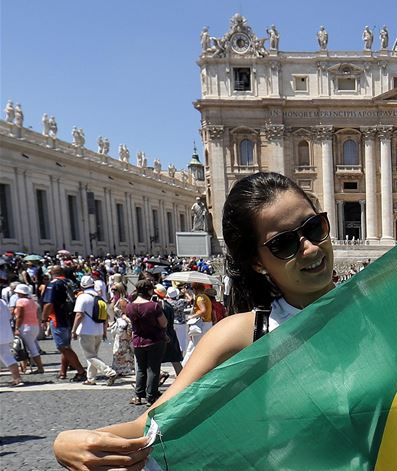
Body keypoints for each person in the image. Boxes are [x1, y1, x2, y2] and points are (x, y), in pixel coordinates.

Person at [54, 172, 335, 468]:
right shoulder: (243, 334)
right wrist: (69, 442)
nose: (311, 247)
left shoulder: (376, 305)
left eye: (314, 227)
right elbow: (153, 424)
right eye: (284, 244)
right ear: (256, 262)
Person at [124, 280, 168, 406]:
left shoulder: (129, 306)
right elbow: (163, 323)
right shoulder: (153, 306)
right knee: (153, 369)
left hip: (138, 340)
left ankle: (138, 396)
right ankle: (151, 396)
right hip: (154, 339)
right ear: (149, 290)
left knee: (141, 369)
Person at [42, 265, 87, 381]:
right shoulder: (70, 282)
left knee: (63, 347)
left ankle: (81, 371)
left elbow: (48, 304)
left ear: (52, 273)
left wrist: (43, 319)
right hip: (71, 317)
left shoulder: (53, 284)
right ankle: (63, 372)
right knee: (66, 345)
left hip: (58, 318)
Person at [72, 275, 118, 386]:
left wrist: (73, 330)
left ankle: (110, 372)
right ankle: (90, 378)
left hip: (86, 330)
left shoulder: (82, 297)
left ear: (82, 286)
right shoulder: (99, 297)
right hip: (98, 329)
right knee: (93, 355)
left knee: (90, 356)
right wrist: (104, 331)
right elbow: (105, 316)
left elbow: (79, 315)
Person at [11, 284, 44, 374]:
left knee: (27, 348)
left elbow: (20, 316)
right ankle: (25, 367)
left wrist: (17, 328)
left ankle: (39, 367)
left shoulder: (20, 301)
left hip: (25, 327)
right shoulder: (32, 301)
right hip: (34, 326)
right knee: (28, 347)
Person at [156, 284, 183, 383]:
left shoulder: (160, 306)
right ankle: (182, 378)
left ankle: (159, 375)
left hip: (164, 334)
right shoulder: (168, 304)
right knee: (175, 359)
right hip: (171, 333)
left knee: (155, 358)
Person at [182, 282, 212, 364]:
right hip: (207, 323)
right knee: (194, 346)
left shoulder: (199, 298)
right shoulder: (205, 297)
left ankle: (185, 366)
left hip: (202, 324)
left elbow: (203, 310)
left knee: (193, 346)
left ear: (195, 289)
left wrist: (192, 316)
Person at [109, 282, 134, 376]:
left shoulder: (122, 301)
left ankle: (122, 369)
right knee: (121, 349)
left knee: (120, 349)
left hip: (123, 327)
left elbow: (126, 315)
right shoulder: (118, 300)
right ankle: (122, 368)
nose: (112, 291)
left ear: (120, 290)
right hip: (120, 326)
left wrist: (129, 325)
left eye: (114, 290)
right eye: (112, 289)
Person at [1, 299, 24, 386]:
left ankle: (17, 378)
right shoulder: (2, 302)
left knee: (6, 357)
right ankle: (17, 378)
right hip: (5, 333)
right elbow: (9, 316)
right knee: (7, 356)